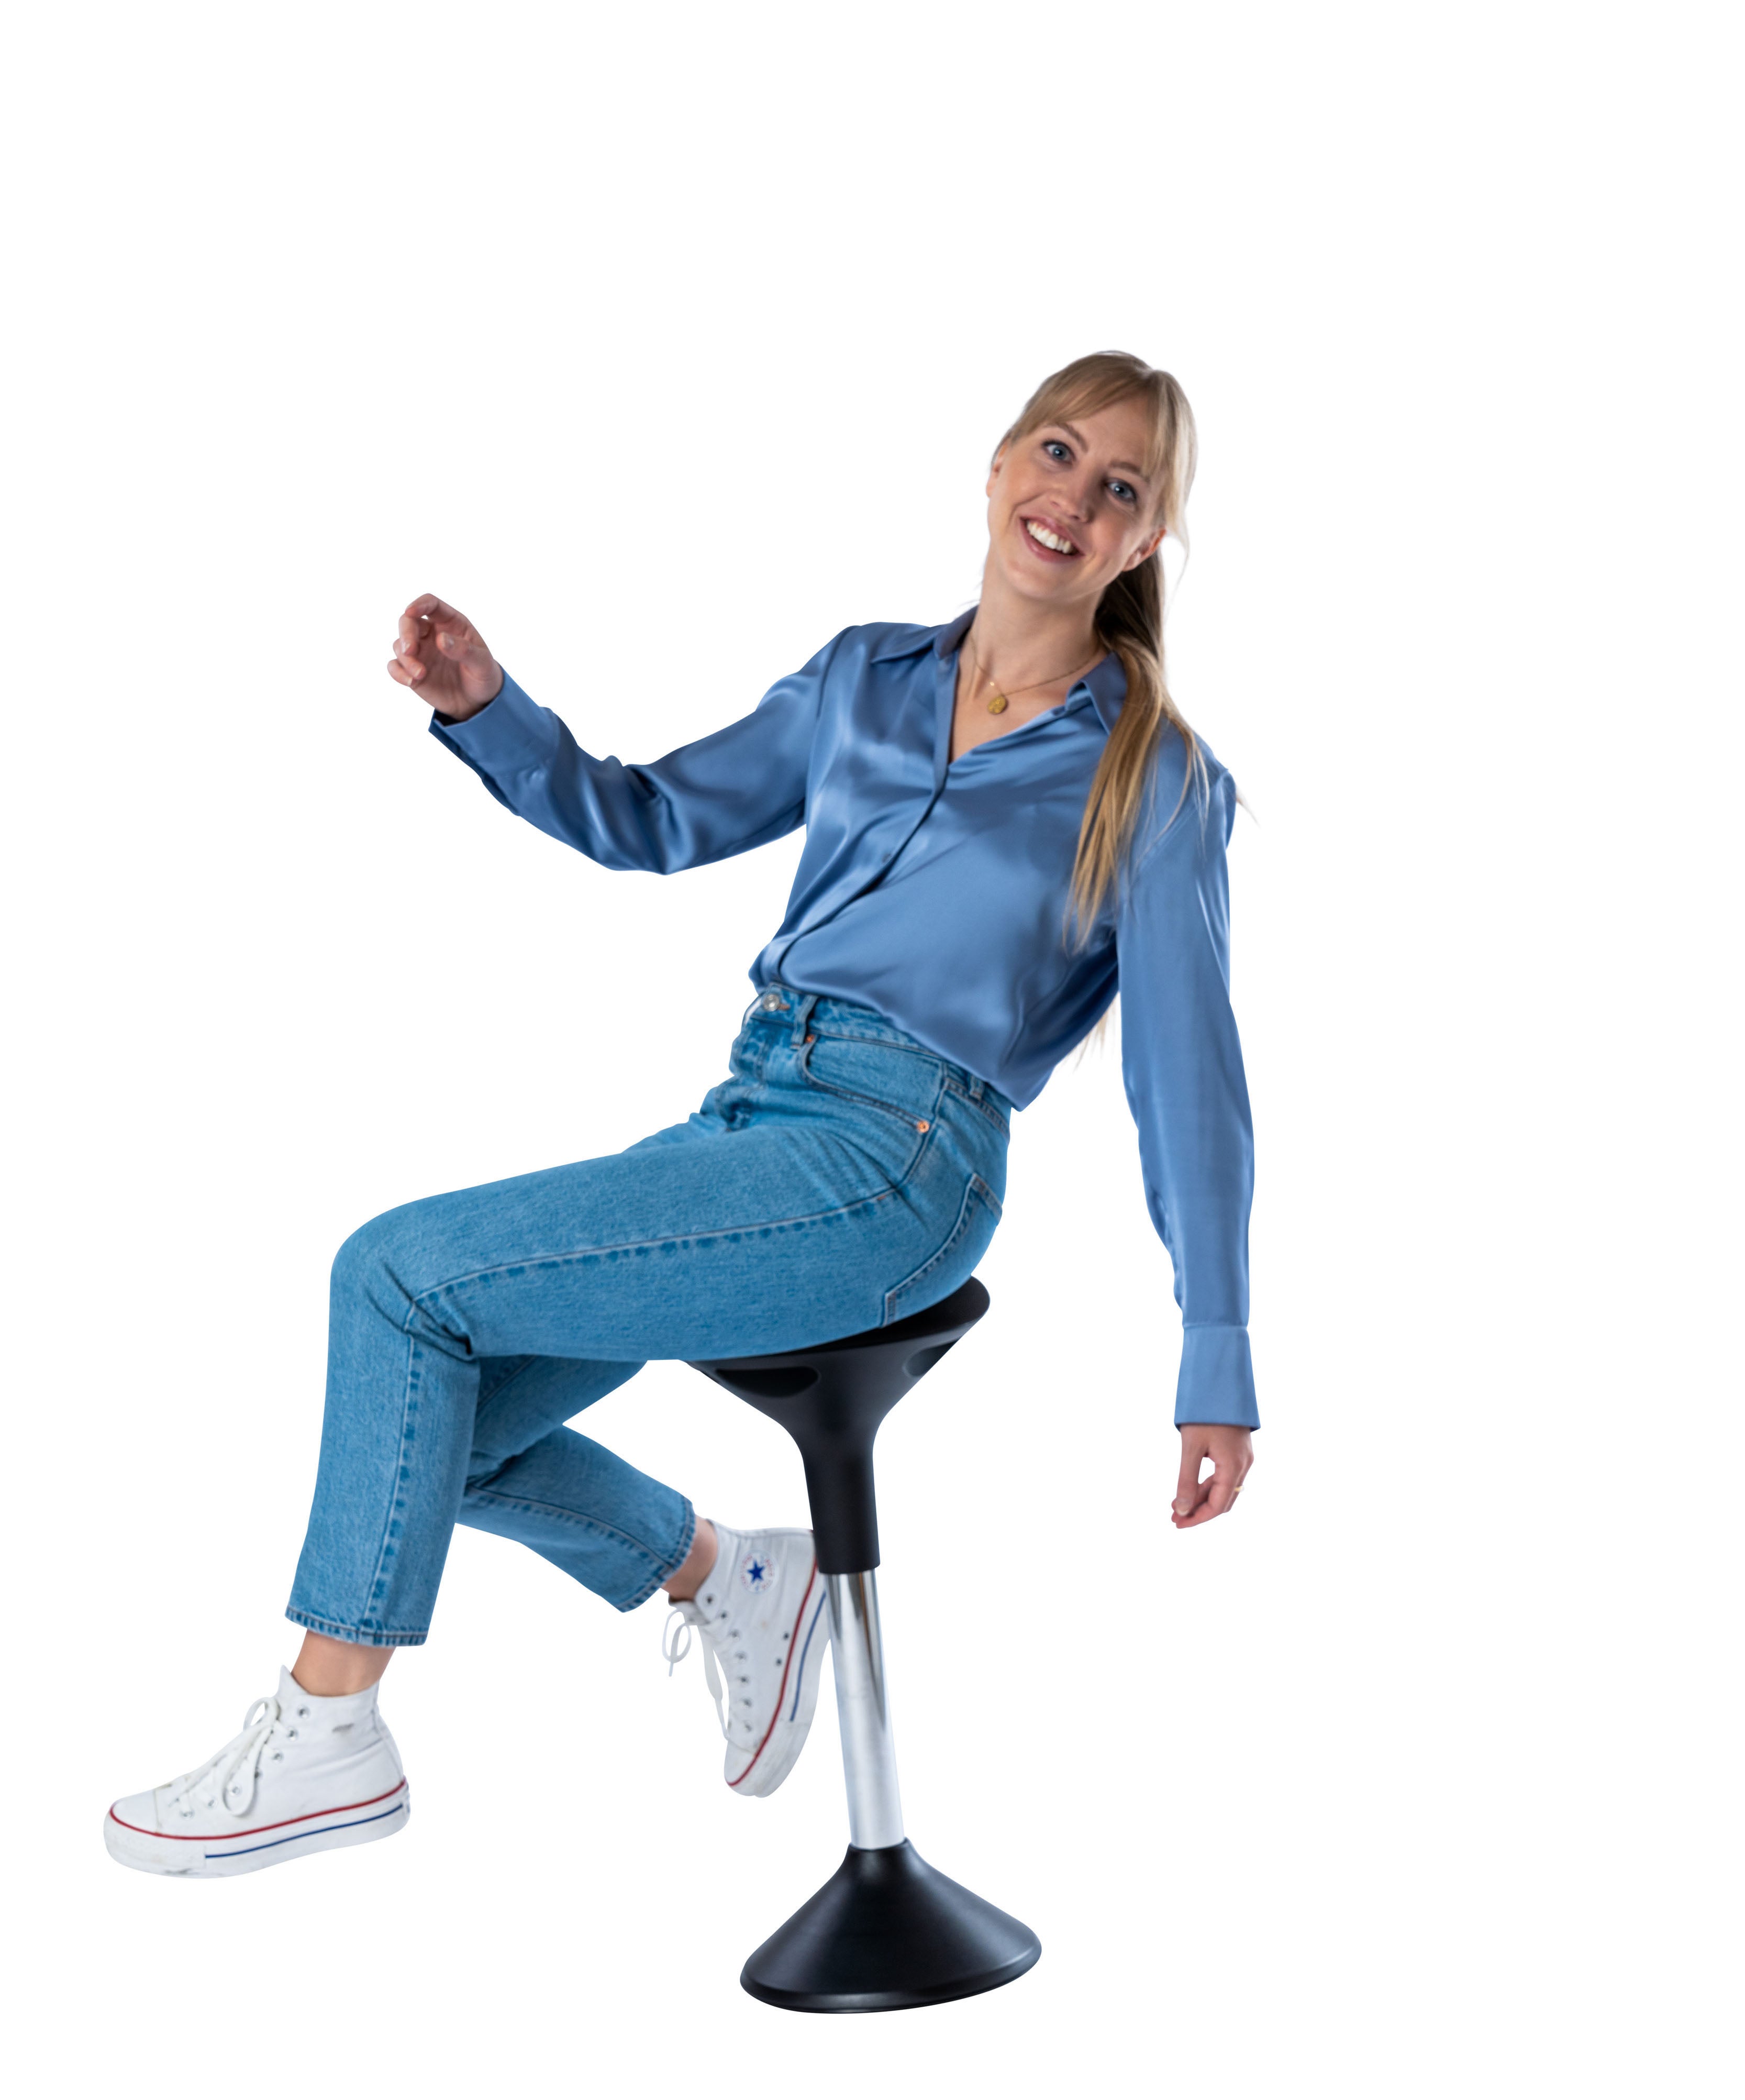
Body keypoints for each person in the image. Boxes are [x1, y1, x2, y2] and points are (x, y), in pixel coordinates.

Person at [105, 349, 1259, 1878]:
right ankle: (727, 1578)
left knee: (392, 1273)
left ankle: (329, 1736)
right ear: (997, 466)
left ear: (1144, 538)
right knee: (425, 1436)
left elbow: (1189, 1079)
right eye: (1056, 452)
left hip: (898, 1165)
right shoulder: (864, 678)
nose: (1073, 498)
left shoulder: (1154, 775)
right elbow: (653, 819)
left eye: (1120, 486)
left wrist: (1215, 1351)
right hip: (753, 1112)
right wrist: (491, 710)